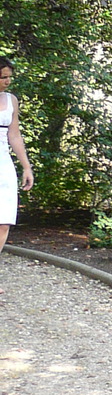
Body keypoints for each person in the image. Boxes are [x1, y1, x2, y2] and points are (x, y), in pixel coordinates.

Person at [0, 57, 35, 253]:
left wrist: (26, 167)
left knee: (3, 221)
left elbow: (14, 134)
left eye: (9, 77)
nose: (8, 81)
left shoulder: (11, 100)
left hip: (3, 162)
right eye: (3, 77)